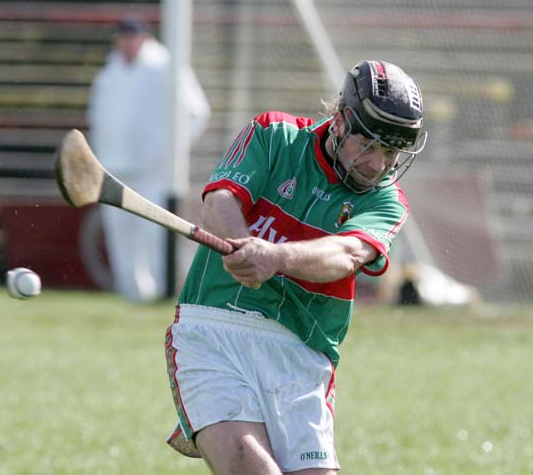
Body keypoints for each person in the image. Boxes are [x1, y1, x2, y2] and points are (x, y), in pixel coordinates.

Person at [164, 60, 427, 473]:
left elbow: (348, 254)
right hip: (214, 330)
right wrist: (242, 242)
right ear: (340, 121)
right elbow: (219, 200)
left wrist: (274, 257)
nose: (378, 164)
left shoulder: (387, 201)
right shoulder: (274, 136)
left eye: (391, 151)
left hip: (302, 357)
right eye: (369, 144)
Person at [87, 17, 211, 301]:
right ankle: (130, 293)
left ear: (144, 38)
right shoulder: (109, 73)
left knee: (153, 233)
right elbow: (98, 119)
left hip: (153, 170)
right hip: (114, 168)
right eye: (122, 37)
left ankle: (161, 292)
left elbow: (198, 112)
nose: (127, 43)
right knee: (121, 235)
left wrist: (170, 152)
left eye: (132, 37)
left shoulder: (165, 66)